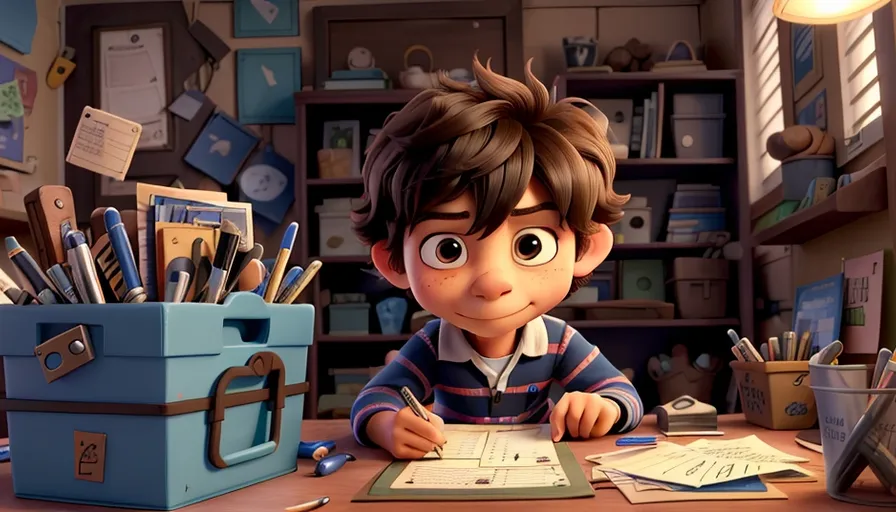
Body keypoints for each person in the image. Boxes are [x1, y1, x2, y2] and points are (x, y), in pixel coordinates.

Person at [349, 55, 643, 459]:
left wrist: (601, 407)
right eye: (448, 249)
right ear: (393, 261)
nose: (491, 281)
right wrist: (387, 424)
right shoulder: (432, 345)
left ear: (586, 249)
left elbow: (623, 394)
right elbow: (373, 398)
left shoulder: (557, 341)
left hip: (538, 471)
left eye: (530, 245)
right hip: (448, 475)